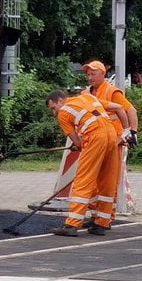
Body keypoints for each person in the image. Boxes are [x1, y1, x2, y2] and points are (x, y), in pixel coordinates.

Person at [46, 89, 119, 236]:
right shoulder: (87, 97)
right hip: (112, 135)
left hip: (95, 137)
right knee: (107, 180)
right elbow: (118, 108)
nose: (54, 112)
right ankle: (101, 223)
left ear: (61, 100)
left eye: (53, 108)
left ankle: (72, 224)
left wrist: (78, 144)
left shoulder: (63, 112)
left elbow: (77, 143)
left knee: (83, 179)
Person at [81, 60, 138, 228]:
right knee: (93, 181)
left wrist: (131, 132)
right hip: (94, 143)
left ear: (103, 74)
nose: (90, 77)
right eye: (88, 74)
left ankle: (104, 218)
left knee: (108, 182)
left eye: (93, 74)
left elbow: (130, 110)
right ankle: (96, 214)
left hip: (114, 143)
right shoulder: (86, 94)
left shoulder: (111, 92)